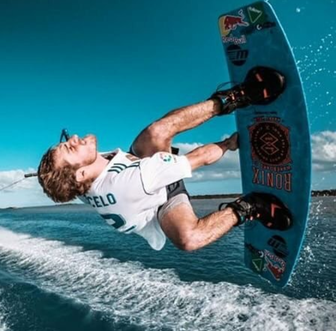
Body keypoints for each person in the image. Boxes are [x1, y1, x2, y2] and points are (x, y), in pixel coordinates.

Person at [38, 67, 291, 252]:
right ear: (81, 174)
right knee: (188, 239)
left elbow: (62, 184)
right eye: (69, 148)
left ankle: (237, 97)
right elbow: (198, 158)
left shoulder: (76, 184)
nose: (72, 139)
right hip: (157, 199)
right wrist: (229, 144)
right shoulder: (132, 182)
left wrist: (44, 174)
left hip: (138, 167)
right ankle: (250, 206)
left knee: (156, 132)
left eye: (64, 140)